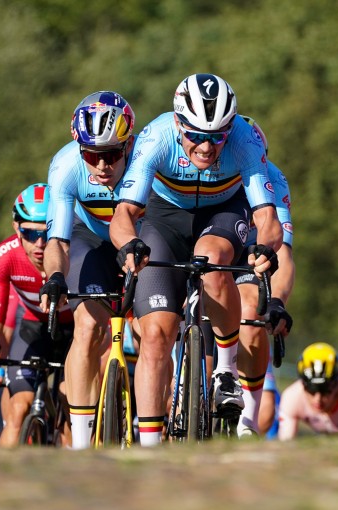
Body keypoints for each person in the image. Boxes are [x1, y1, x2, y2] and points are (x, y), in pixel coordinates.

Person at [109, 73, 282, 445]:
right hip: (164, 218)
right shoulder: (155, 138)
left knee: (213, 259)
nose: (206, 147)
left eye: (217, 136)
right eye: (195, 135)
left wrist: (265, 247)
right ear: (177, 123)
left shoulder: (245, 141)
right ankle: (151, 448)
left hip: (223, 212)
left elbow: (267, 219)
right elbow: (123, 214)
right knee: (155, 336)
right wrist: (128, 245)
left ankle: (225, 371)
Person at [39, 91, 138, 450]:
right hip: (89, 240)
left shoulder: (146, 159)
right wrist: (55, 278)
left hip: (137, 240)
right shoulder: (66, 166)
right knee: (88, 326)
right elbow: (59, 241)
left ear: (129, 145)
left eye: (111, 154)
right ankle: (81, 443)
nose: (101, 166)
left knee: (152, 327)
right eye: (91, 155)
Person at [0, 184, 74, 447]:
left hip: (75, 331)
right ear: (16, 228)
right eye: (30, 233)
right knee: (19, 409)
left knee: (70, 404)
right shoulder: (5, 257)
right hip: (32, 327)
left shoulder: (75, 252)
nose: (40, 244)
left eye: (47, 233)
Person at [233, 116, 295, 438]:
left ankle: (246, 424)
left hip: (250, 261)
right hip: (211, 246)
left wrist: (276, 301)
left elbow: (282, 251)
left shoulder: (272, 178)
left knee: (252, 311)